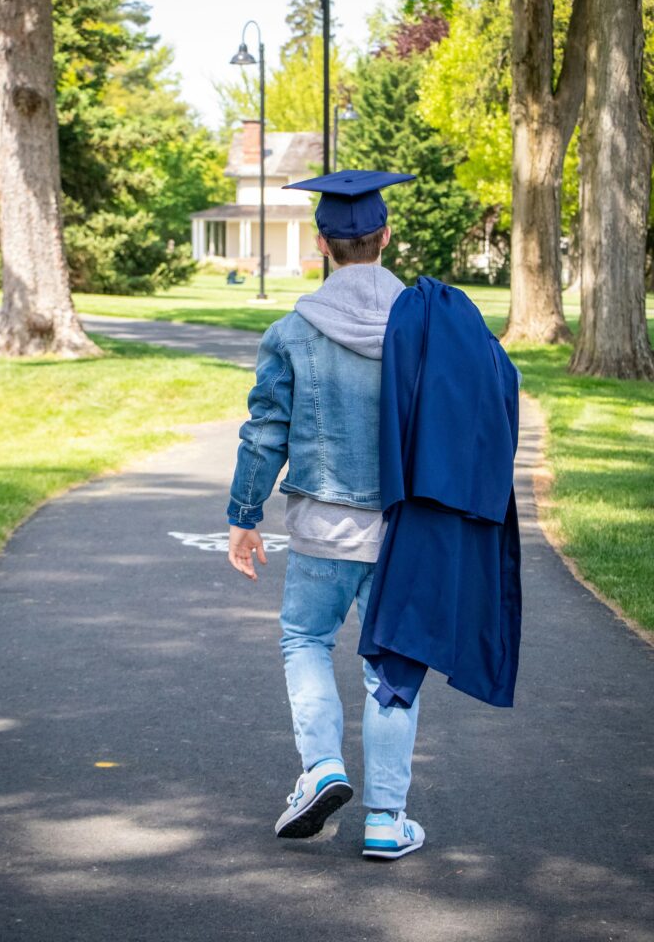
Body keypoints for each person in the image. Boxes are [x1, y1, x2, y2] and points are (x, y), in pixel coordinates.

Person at [226, 170, 425, 861]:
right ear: (386, 237)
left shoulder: (292, 331)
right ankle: (385, 819)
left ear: (322, 245)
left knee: (306, 641)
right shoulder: (425, 325)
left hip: (319, 525)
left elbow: (265, 432)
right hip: (403, 533)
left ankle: (321, 768)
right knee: (391, 670)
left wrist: (243, 515)